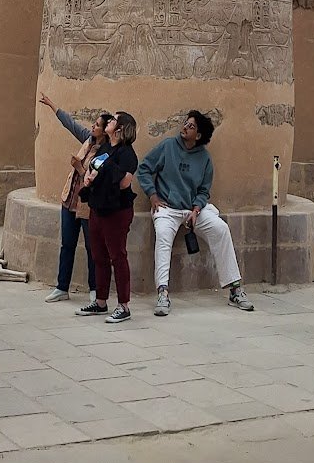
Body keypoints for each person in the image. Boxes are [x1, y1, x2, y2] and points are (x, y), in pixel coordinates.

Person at [137, 110, 254, 315]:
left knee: (221, 229)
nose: (184, 127)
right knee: (163, 236)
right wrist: (153, 195)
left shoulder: (205, 159)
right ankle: (163, 293)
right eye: (186, 123)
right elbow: (144, 168)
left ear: (198, 135)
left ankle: (235, 289)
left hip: (194, 209)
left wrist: (197, 208)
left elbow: (203, 190)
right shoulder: (167, 146)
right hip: (167, 208)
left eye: (190, 126)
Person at [37, 91, 110, 305]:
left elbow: (94, 177)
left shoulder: (106, 152)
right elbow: (71, 124)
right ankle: (62, 287)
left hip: (87, 206)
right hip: (70, 200)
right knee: (67, 244)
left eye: (97, 125)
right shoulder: (87, 139)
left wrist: (79, 167)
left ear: (105, 131)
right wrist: (52, 105)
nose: (93, 127)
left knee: (92, 248)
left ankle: (95, 289)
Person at [76, 111, 138, 324]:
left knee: (117, 257)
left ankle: (124, 306)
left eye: (113, 120)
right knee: (98, 256)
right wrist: (88, 178)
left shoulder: (127, 154)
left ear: (120, 128)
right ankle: (101, 302)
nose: (109, 121)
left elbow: (123, 183)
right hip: (98, 208)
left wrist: (106, 169)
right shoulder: (105, 147)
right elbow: (94, 168)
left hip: (117, 211)